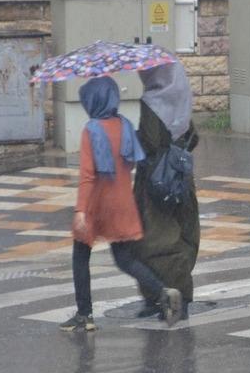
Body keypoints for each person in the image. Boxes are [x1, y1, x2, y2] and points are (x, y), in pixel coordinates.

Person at [59, 76, 183, 332]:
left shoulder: (91, 130)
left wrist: (80, 211)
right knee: (125, 259)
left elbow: (87, 176)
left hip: (96, 206)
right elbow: (132, 162)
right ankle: (163, 292)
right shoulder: (124, 125)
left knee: (80, 258)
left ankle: (85, 315)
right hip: (123, 204)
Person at [131, 61, 201, 320]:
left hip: (155, 181)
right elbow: (193, 135)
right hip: (180, 178)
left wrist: (134, 137)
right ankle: (177, 294)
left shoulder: (151, 101)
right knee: (182, 235)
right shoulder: (181, 97)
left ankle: (163, 297)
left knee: (156, 238)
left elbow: (150, 142)